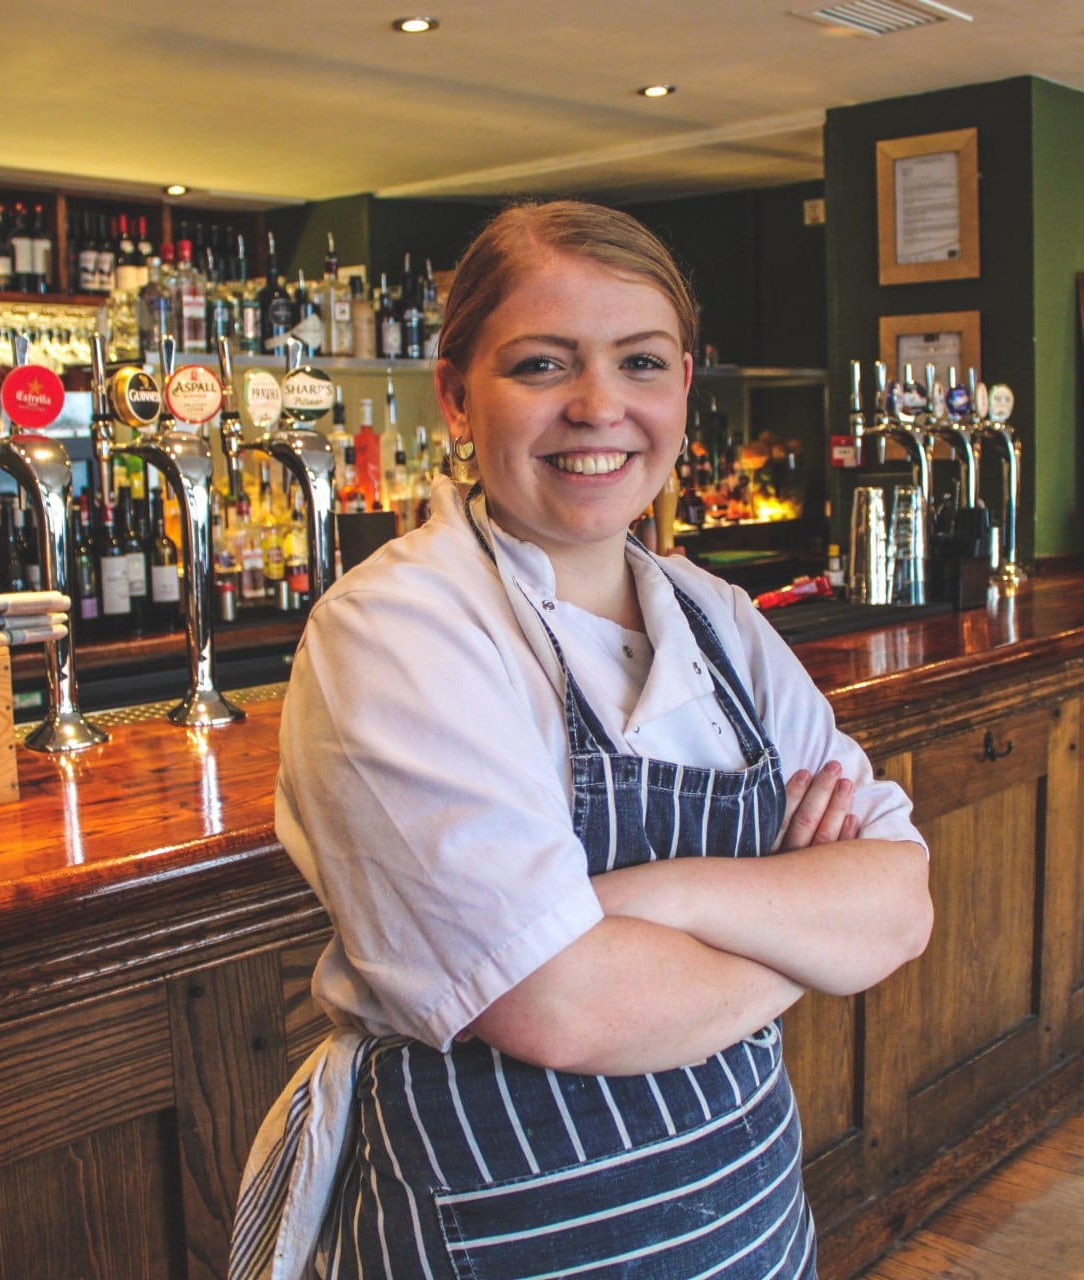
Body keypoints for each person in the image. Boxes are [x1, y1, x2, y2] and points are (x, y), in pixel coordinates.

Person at [234, 201, 932, 1280]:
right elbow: (561, 1004)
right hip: (501, 1228)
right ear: (456, 396)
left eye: (640, 361)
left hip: (741, 1213)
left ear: (685, 386)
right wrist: (804, 926)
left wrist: (666, 900)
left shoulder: (722, 619)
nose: (599, 405)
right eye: (544, 364)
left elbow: (900, 902)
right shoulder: (396, 628)